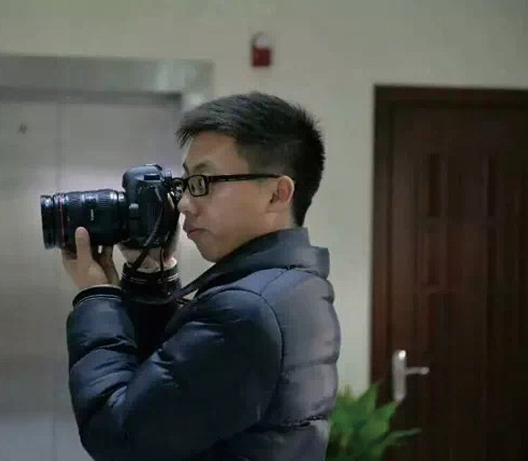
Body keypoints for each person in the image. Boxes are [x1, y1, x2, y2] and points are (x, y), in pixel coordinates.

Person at [62, 92, 340, 460]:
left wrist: (96, 298)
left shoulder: (247, 311)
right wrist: (152, 275)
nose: (184, 203)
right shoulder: (295, 287)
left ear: (278, 193)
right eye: (186, 182)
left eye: (204, 182)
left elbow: (117, 434)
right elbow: (175, 385)